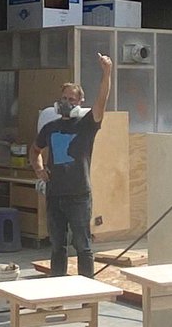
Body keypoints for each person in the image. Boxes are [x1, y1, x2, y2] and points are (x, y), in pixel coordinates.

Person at [30, 53, 113, 279]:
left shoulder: (87, 124)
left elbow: (102, 100)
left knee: (82, 246)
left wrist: (107, 72)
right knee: (57, 246)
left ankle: (87, 290)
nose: (67, 102)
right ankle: (58, 288)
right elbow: (35, 150)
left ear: (80, 103)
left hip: (78, 194)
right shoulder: (50, 127)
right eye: (64, 98)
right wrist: (39, 169)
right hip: (54, 194)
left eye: (72, 99)